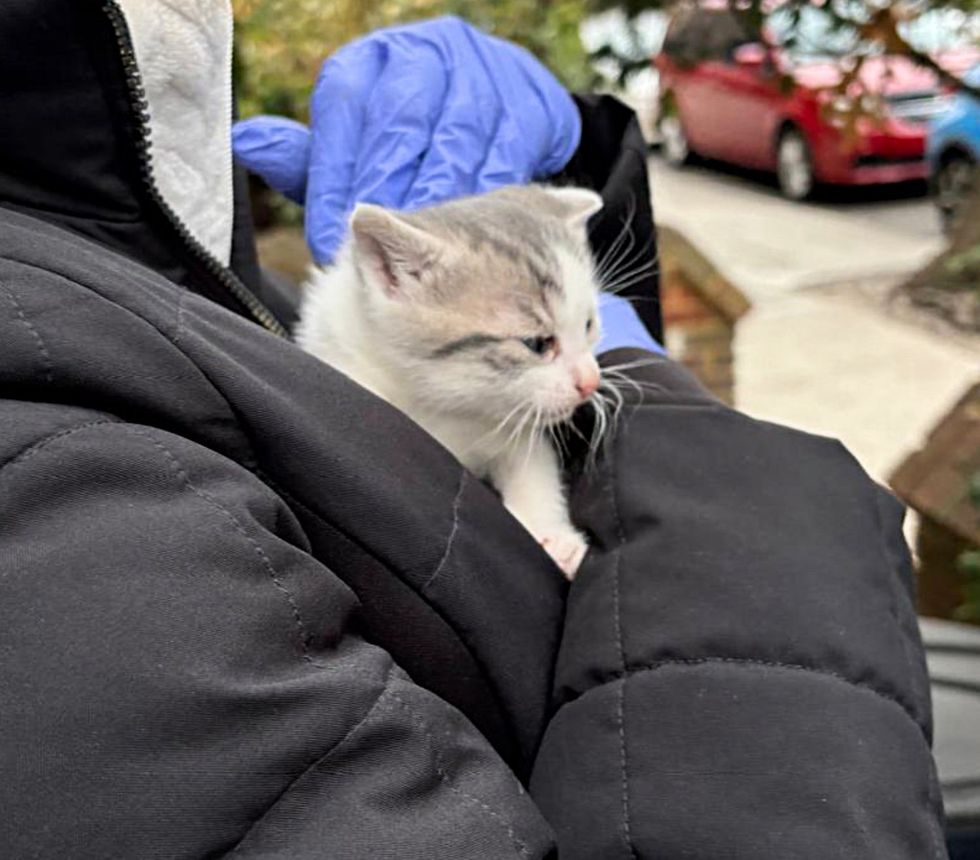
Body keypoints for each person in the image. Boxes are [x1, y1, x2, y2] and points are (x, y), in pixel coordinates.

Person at [0, 3, 945, 858]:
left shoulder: (186, 304)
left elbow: (514, 403)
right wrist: (682, 429)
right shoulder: (66, 471)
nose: (593, 374)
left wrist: (588, 168)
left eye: (592, 333)